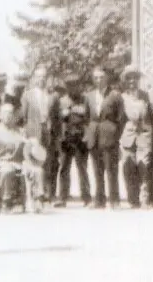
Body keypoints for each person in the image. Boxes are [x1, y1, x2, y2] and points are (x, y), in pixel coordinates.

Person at [0, 103, 45, 213]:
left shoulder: (20, 131)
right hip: (3, 162)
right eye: (6, 113)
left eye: (11, 113)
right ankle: (7, 201)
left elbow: (28, 148)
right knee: (7, 170)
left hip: (21, 162)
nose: (9, 116)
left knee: (37, 170)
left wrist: (33, 144)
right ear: (0, 115)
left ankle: (37, 200)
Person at [85, 67, 124, 209]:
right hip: (94, 137)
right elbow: (86, 117)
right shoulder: (89, 96)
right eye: (95, 77)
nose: (98, 80)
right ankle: (99, 200)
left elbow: (121, 118)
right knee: (97, 170)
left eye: (101, 77)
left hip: (110, 137)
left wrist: (115, 135)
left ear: (106, 78)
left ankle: (114, 200)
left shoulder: (115, 95)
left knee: (111, 170)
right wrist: (89, 134)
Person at [51, 74, 92, 208]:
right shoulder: (61, 101)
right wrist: (59, 137)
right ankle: (62, 197)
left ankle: (86, 197)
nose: (73, 88)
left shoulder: (85, 99)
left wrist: (87, 135)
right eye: (69, 86)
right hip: (66, 138)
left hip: (80, 137)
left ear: (79, 86)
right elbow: (56, 120)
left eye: (75, 85)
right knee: (64, 168)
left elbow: (89, 118)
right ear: (66, 87)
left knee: (82, 168)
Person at [118, 65, 153, 209]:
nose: (132, 81)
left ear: (138, 80)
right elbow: (119, 119)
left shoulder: (145, 96)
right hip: (127, 136)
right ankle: (132, 199)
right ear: (125, 81)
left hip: (143, 136)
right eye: (129, 78)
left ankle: (144, 199)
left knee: (143, 166)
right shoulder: (122, 98)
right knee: (128, 167)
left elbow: (151, 115)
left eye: (134, 77)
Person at [20, 67, 58, 203]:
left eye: (44, 76)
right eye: (38, 76)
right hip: (33, 133)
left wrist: (57, 136)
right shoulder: (27, 95)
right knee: (35, 162)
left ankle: (49, 194)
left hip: (49, 133)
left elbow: (57, 118)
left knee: (50, 163)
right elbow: (23, 117)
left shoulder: (53, 96)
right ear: (34, 79)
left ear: (47, 79)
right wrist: (26, 134)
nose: (41, 79)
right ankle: (35, 194)